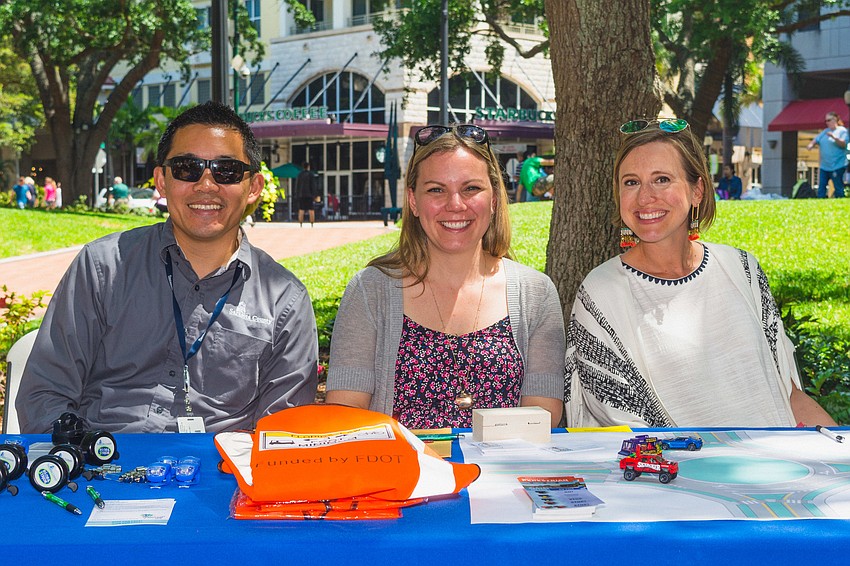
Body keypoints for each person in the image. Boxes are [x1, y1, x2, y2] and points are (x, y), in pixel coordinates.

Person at [17, 101, 319, 434]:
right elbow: (45, 395)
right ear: (161, 180)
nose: (206, 184)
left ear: (253, 188)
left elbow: (283, 434)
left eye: (227, 170)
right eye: (187, 167)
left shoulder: (284, 300)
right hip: (100, 468)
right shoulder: (102, 267)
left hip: (223, 476)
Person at [565, 118, 835, 429]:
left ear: (698, 191)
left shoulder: (742, 269)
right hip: (670, 473)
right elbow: (624, 429)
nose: (645, 197)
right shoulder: (600, 294)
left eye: (662, 179)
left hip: (778, 466)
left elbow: (788, 395)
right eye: (631, 182)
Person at [326, 124, 565, 429]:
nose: (455, 205)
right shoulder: (370, 291)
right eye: (436, 190)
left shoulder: (535, 293)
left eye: (471, 188)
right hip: (403, 475)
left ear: (493, 199)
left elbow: (543, 417)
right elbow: (346, 416)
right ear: (413, 200)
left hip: (502, 473)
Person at [806, 111, 848, 198]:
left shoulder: (842, 131)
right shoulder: (825, 131)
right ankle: (820, 204)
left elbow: (844, 144)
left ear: (835, 119)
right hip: (824, 166)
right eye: (826, 121)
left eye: (829, 120)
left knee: (838, 188)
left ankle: (840, 203)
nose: (827, 123)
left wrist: (834, 137)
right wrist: (811, 144)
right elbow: (816, 139)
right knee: (821, 188)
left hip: (837, 165)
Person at [294, 162, 318, 226]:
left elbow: (297, 185)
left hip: (301, 195)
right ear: (308, 167)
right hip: (309, 195)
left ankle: (301, 223)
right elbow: (313, 185)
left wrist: (297, 194)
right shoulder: (311, 174)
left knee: (301, 209)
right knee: (311, 210)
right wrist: (315, 195)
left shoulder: (299, 175)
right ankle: (312, 223)